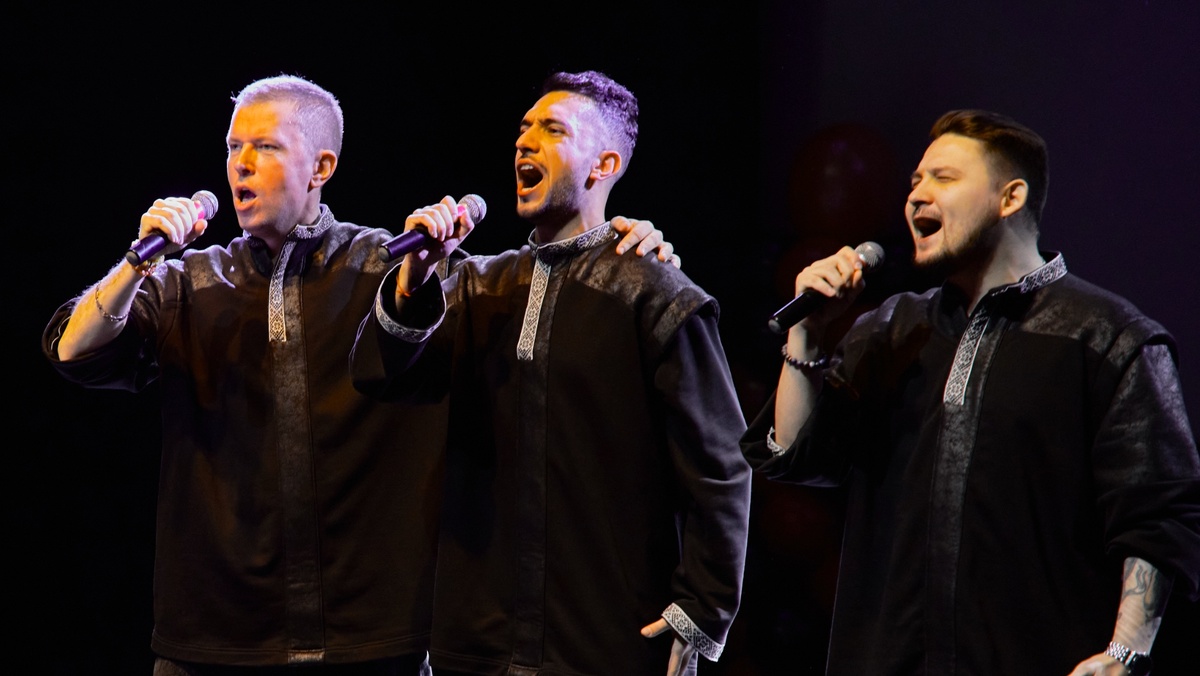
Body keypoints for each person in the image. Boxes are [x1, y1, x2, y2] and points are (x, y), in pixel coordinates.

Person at [40, 73, 677, 675]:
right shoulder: (192, 280)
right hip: (213, 638)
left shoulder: (391, 269)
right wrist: (136, 263)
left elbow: (535, 287)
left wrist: (621, 246)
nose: (241, 164)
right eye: (234, 147)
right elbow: (72, 350)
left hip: (372, 639)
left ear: (321, 168)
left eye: (265, 147)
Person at [741, 109, 1200, 675]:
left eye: (944, 178)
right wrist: (808, 333)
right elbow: (795, 455)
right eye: (914, 181)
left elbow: (1158, 514)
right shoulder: (892, 328)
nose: (916, 195)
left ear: (1010, 198)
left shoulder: (1108, 336)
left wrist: (1124, 654)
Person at [349, 70, 752, 676]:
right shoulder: (478, 286)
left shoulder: (653, 293)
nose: (524, 141)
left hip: (601, 638)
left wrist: (701, 607)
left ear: (604, 164)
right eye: (523, 128)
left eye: (552, 130)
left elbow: (720, 465)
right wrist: (415, 279)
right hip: (477, 641)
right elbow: (382, 375)